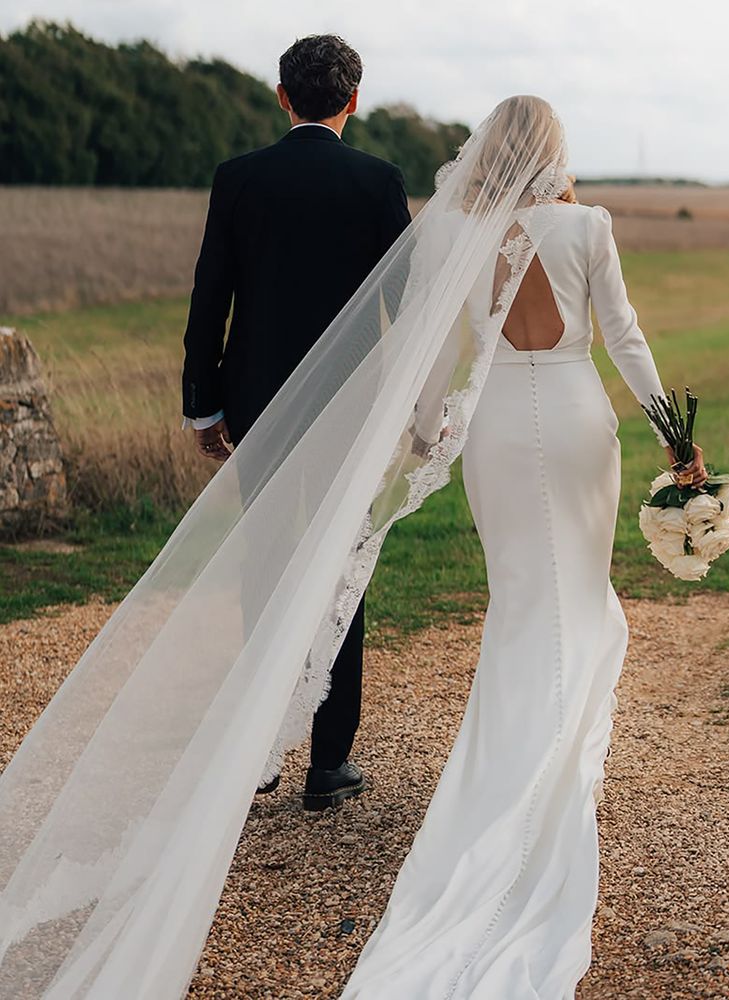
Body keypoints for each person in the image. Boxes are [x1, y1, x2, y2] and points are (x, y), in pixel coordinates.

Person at [338, 95, 706, 997]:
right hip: (579, 419)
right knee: (575, 586)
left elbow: (433, 349)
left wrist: (425, 428)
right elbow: (624, 334)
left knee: (518, 595)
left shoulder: (451, 230)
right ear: (555, 151)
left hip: (497, 423)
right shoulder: (587, 225)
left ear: (483, 154)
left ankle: (515, 759)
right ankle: (551, 749)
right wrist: (674, 435)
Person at [180, 34, 411, 809]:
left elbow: (210, 297)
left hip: (258, 407)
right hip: (352, 413)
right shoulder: (378, 182)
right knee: (340, 574)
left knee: (266, 572)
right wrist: (413, 409)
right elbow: (403, 310)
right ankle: (327, 763)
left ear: (283, 97)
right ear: (354, 99)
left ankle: (261, 752)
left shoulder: (239, 178)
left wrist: (203, 405)